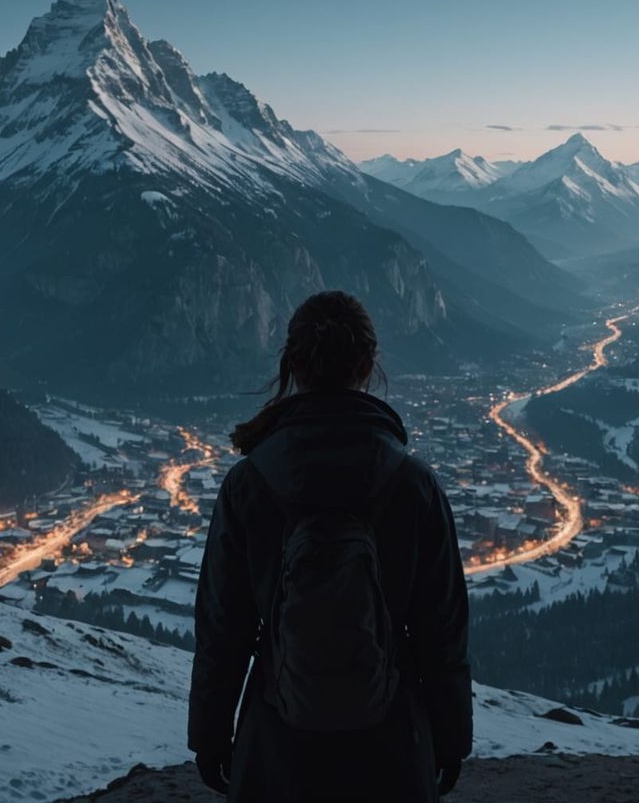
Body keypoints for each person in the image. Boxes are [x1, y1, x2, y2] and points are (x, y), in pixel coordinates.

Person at [188, 290, 472, 802]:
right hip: (392, 744)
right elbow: (442, 631)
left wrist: (210, 735)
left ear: (292, 364)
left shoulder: (248, 485)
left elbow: (222, 629)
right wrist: (450, 739)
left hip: (277, 741)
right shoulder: (413, 485)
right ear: (368, 365)